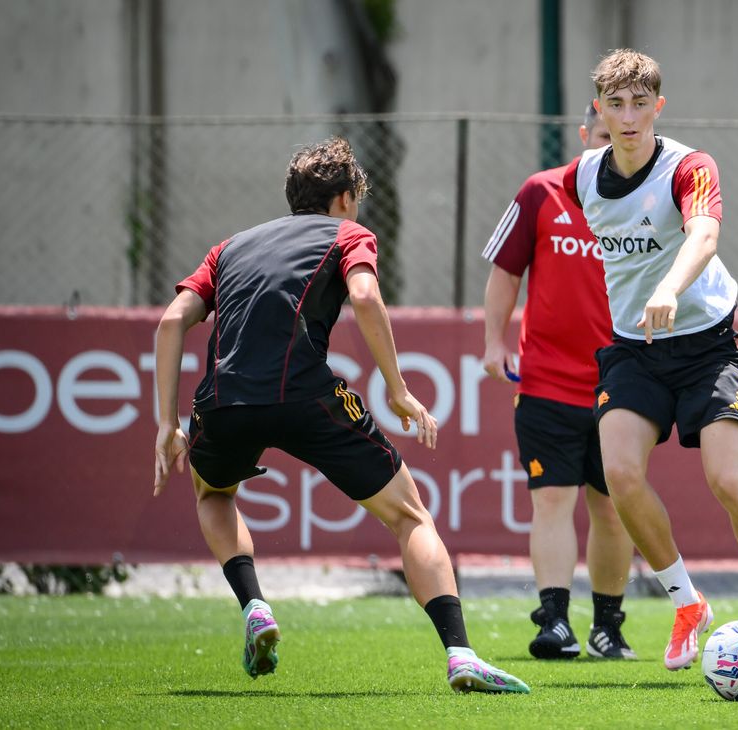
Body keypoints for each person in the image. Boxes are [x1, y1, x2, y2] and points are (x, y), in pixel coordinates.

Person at [151, 137, 529, 694]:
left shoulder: (229, 247)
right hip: (308, 396)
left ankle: (254, 604)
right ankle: (461, 655)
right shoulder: (349, 233)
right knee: (411, 518)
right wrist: (398, 391)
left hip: (224, 403)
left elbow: (170, 322)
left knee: (212, 494)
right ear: (347, 197)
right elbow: (367, 298)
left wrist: (166, 423)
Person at [563, 49, 738, 673]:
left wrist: (668, 286)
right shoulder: (580, 177)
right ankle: (687, 604)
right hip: (633, 349)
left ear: (659, 106)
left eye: (639, 104)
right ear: (598, 109)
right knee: (619, 474)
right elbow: (536, 208)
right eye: (615, 105)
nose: (628, 118)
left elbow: (704, 235)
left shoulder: (690, 166)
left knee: (728, 482)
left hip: (707, 344)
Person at [482, 106, 637, 660]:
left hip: (623, 384)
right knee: (552, 499)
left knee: (614, 507)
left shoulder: (651, 200)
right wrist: (494, 341)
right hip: (545, 381)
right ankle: (555, 623)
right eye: (602, 134)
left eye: (624, 135)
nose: (612, 144)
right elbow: (505, 271)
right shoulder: (539, 193)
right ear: (583, 136)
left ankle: (607, 628)